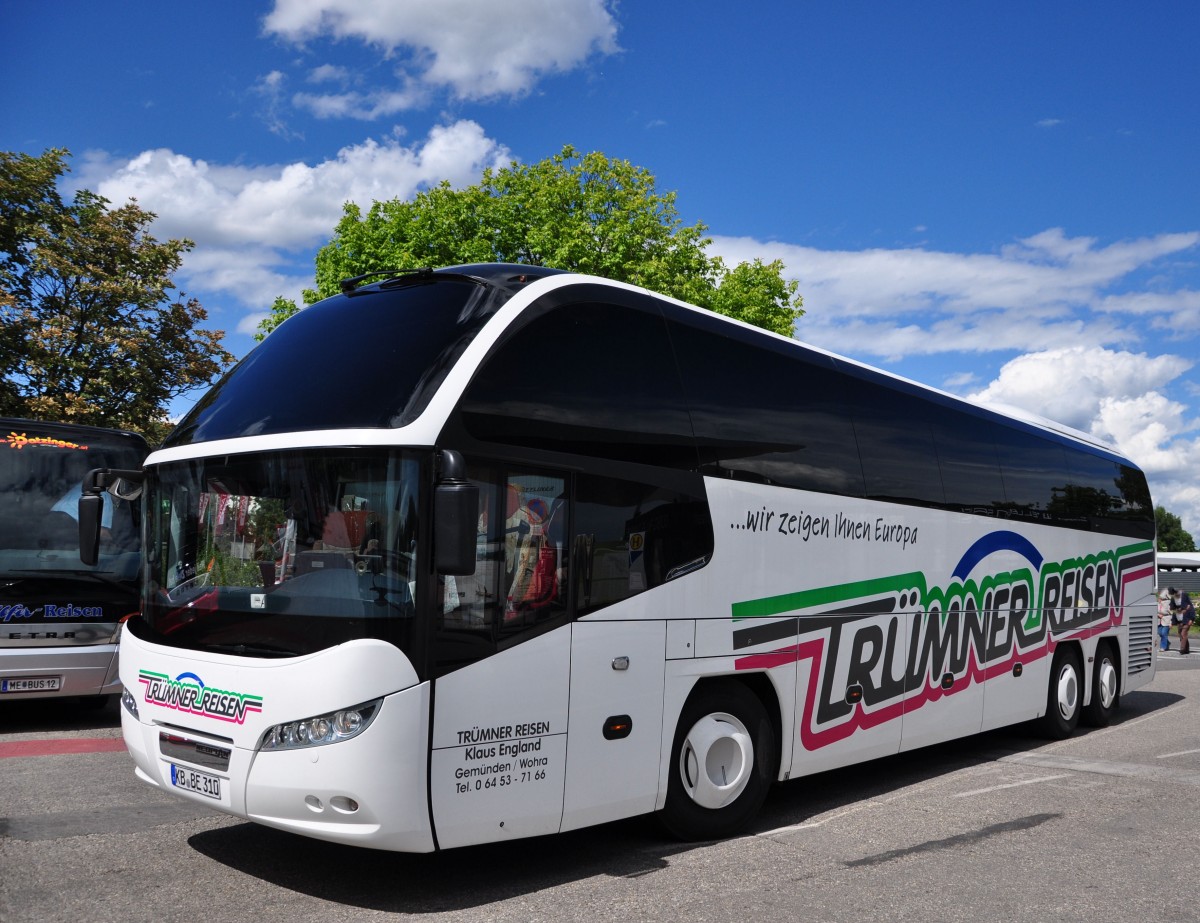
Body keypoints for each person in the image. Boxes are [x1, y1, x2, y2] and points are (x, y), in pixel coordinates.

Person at [1178, 589, 1195, 655]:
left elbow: (1192, 611)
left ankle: (1182, 649)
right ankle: (1186, 649)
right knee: (1181, 635)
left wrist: (1191, 619)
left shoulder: (1188, 603)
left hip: (1187, 621)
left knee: (1183, 634)